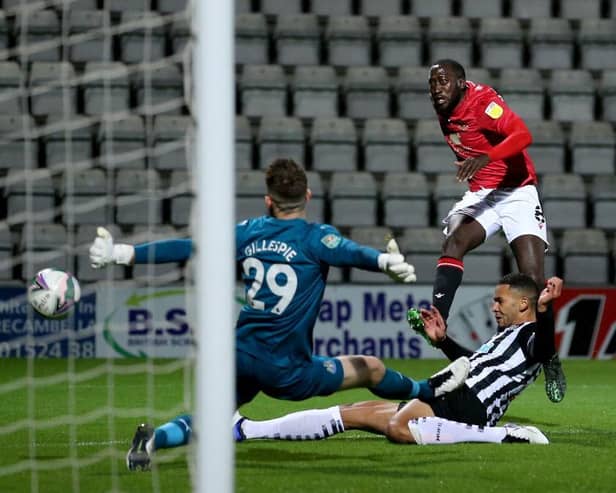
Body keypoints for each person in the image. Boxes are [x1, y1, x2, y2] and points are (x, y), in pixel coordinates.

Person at [89, 158, 470, 470]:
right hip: (287, 369)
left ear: (269, 201)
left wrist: (124, 254)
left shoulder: (248, 232)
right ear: (307, 195)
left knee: (214, 418)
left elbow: (190, 246)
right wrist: (384, 261)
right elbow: (350, 252)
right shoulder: (313, 237)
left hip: (239, 355)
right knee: (369, 367)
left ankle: (153, 439)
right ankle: (427, 391)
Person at [233, 274, 563, 446]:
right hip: (456, 392)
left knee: (399, 428)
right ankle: (247, 429)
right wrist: (444, 341)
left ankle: (506, 435)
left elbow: (545, 349)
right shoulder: (505, 336)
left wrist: (546, 310)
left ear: (523, 304)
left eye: (499, 300)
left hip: (471, 404)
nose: (493, 306)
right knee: (354, 413)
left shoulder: (531, 334)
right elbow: (473, 363)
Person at [418, 58, 566, 403]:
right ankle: (439, 314)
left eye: (442, 81)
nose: (436, 88)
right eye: (431, 83)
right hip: (484, 193)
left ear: (461, 83)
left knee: (533, 280)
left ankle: (550, 356)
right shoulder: (446, 109)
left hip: (517, 190)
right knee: (454, 240)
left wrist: (487, 158)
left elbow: (523, 135)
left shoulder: (484, 103)